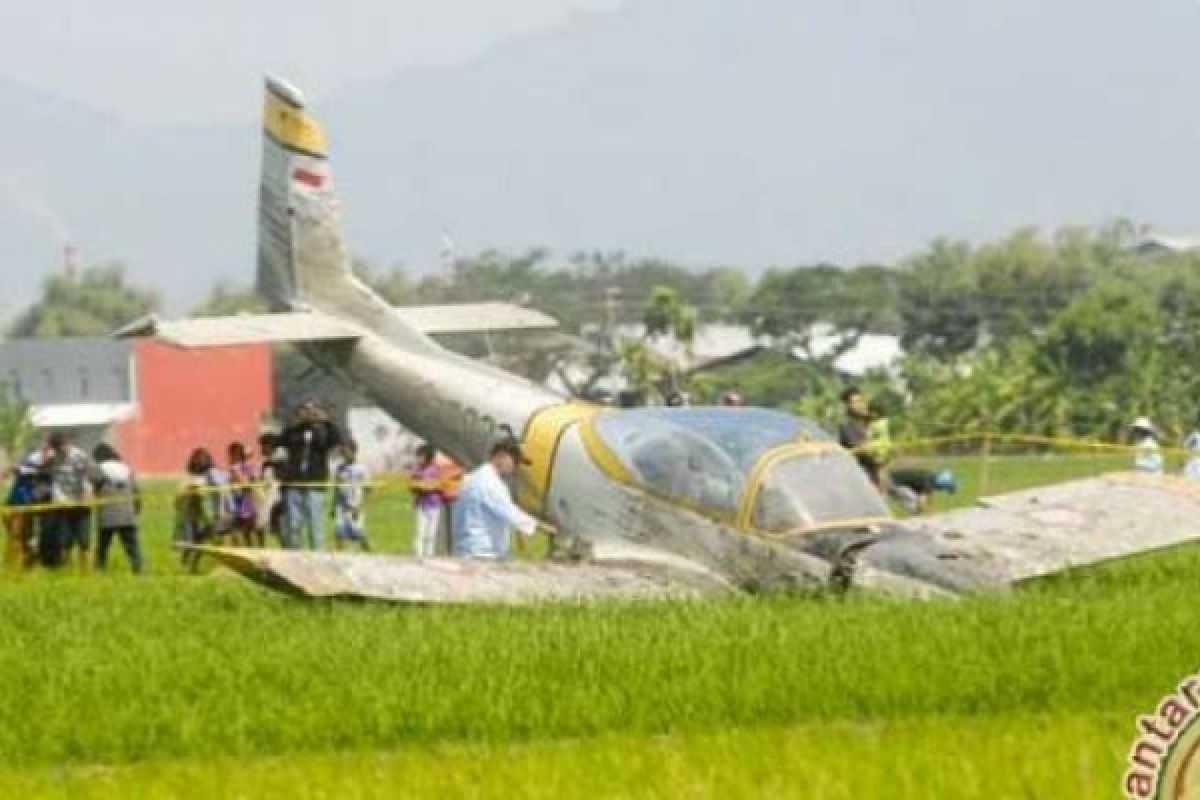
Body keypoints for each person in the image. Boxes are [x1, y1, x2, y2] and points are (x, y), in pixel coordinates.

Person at [452, 441, 539, 560]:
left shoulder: (472, 478)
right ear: (502, 457)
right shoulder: (489, 482)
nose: (516, 468)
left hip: (469, 549)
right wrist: (540, 527)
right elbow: (509, 512)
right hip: (482, 552)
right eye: (516, 462)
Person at [279, 400, 341, 550]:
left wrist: (325, 422)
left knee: (315, 525)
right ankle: (295, 555)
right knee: (293, 525)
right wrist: (294, 424)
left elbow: (335, 440)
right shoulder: (294, 431)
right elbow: (280, 441)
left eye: (311, 410)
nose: (308, 413)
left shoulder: (323, 431)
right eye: (304, 410)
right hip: (294, 484)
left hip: (314, 485)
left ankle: (317, 556)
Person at [34, 432, 94, 570]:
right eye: (56, 449)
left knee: (84, 541)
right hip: (62, 506)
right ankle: (67, 569)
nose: (60, 451)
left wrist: (86, 493)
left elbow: (91, 478)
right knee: (64, 541)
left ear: (67, 444)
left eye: (61, 447)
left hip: (81, 505)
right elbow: (41, 473)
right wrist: (44, 453)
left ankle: (86, 571)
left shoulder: (80, 457)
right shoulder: (52, 459)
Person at [90, 443, 143, 574]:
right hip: (127, 514)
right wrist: (136, 509)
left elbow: (93, 485)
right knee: (132, 546)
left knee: (103, 546)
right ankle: (138, 569)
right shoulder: (126, 469)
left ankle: (99, 569)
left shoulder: (99, 469)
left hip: (107, 514)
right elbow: (136, 491)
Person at [175, 448, 230, 573]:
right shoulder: (191, 478)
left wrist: (220, 510)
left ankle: (200, 565)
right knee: (198, 542)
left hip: (209, 516)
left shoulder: (211, 475)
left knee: (208, 541)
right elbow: (180, 499)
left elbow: (220, 492)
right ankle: (192, 565)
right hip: (198, 517)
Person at [838, 387, 882, 488]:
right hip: (862, 475)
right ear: (847, 406)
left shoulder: (868, 421)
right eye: (855, 402)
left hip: (876, 471)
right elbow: (862, 450)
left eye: (860, 401)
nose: (860, 405)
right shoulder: (847, 426)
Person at [332, 440, 371, 552]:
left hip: (355, 506)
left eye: (346, 451)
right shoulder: (339, 468)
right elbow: (337, 488)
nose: (344, 454)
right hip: (341, 505)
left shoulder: (362, 468)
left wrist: (360, 506)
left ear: (353, 451)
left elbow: (367, 489)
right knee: (339, 532)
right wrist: (333, 506)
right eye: (342, 452)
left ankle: (369, 552)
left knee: (357, 533)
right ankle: (339, 556)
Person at [409, 444, 444, 558]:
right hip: (422, 505)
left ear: (428, 457)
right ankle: (418, 555)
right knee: (420, 531)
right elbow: (413, 486)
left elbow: (438, 485)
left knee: (431, 533)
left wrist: (427, 485)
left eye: (421, 456)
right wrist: (420, 485)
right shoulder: (417, 471)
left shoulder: (435, 470)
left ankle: (429, 555)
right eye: (418, 456)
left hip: (434, 505)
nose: (419, 459)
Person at [227, 442, 260, 546]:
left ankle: (252, 547)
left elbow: (247, 480)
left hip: (245, 499)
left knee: (247, 527)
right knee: (242, 528)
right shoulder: (239, 466)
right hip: (239, 498)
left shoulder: (240, 466)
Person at [257, 432, 286, 546]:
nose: (261, 449)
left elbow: (281, 480)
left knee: (280, 530)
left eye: (263, 446)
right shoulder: (266, 463)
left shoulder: (281, 462)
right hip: (265, 499)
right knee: (263, 527)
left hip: (278, 501)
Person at [887, 467, 957, 514]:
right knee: (914, 502)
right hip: (893, 482)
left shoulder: (930, 478)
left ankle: (916, 514)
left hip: (895, 483)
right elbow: (923, 499)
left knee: (914, 504)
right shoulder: (928, 480)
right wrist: (929, 511)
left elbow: (929, 497)